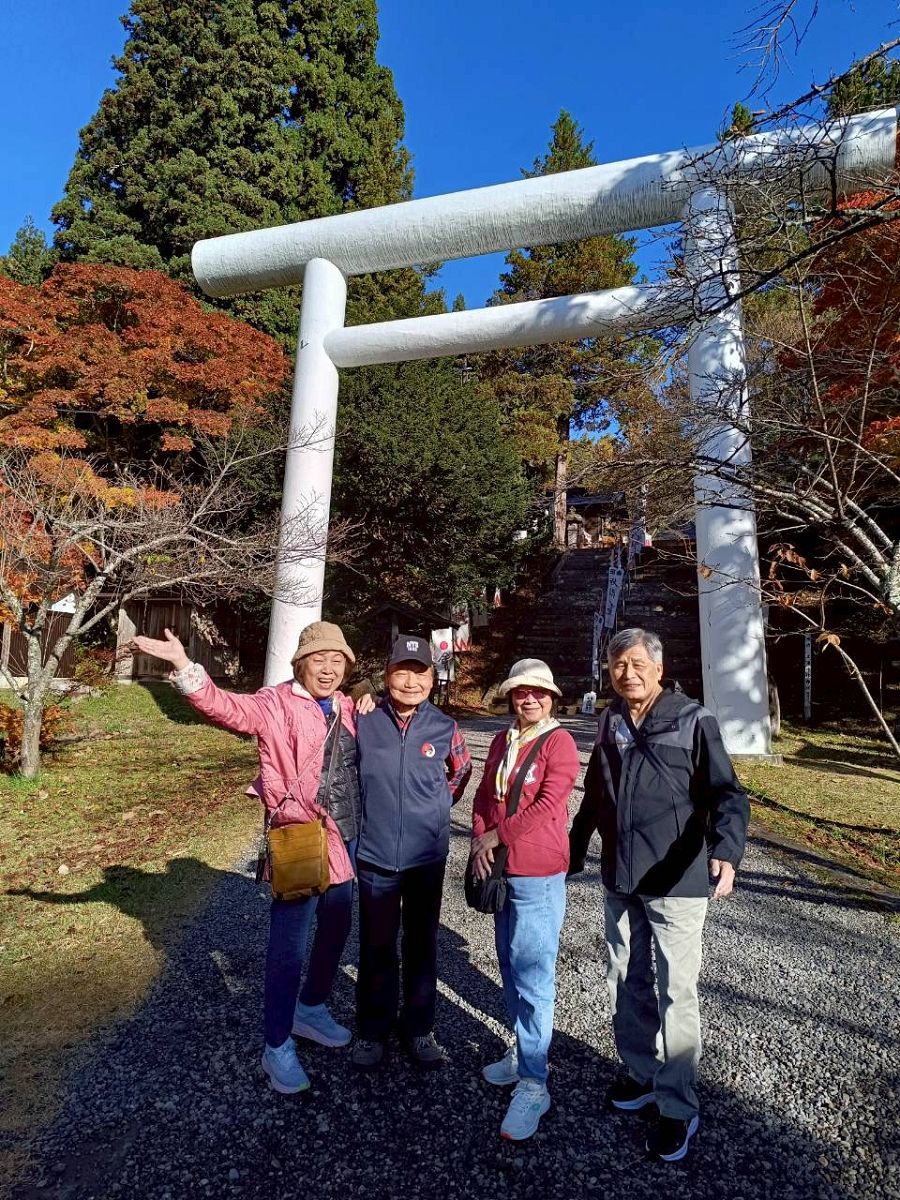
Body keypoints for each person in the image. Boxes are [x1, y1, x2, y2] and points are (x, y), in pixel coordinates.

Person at [128, 620, 365, 1095]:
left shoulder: (347, 705)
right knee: (289, 944)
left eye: (337, 660)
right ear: (300, 662)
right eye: (319, 658)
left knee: (337, 926)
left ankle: (311, 1008)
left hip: (345, 833)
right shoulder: (274, 702)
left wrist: (367, 696)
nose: (328, 668)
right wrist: (183, 666)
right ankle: (276, 1044)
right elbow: (225, 708)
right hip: (298, 834)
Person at [568, 627, 749, 1163]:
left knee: (677, 992)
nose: (626, 673)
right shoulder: (609, 720)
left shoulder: (693, 720)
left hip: (677, 879)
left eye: (636, 663)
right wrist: (575, 849)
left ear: (658, 668)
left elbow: (727, 793)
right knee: (626, 977)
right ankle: (640, 1073)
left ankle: (677, 1105)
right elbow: (597, 793)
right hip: (621, 877)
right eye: (617, 664)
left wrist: (726, 849)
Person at [470, 659, 580, 1141]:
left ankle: (536, 1080)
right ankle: (521, 1050)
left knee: (534, 972)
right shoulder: (500, 740)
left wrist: (495, 835)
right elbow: (482, 796)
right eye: (520, 693)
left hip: (538, 871)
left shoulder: (560, 742)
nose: (529, 699)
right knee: (510, 965)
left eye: (538, 692)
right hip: (500, 868)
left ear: (551, 698)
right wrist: (480, 838)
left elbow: (549, 805)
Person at [351, 634, 472, 1072]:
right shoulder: (363, 719)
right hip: (375, 853)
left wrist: (435, 809)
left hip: (426, 857)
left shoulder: (444, 727)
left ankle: (419, 1027)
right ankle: (372, 1029)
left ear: (431, 679)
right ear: (387, 675)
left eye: (419, 673)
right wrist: (359, 692)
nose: (410, 681)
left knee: (421, 945)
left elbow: (460, 774)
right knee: (376, 946)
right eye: (401, 671)